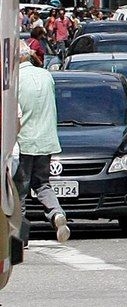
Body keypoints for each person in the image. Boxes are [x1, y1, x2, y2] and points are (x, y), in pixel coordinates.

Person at [14, 40, 70, 243]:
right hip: (46, 139)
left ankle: (20, 236)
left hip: (24, 141)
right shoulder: (46, 76)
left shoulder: (16, 79)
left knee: (19, 189)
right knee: (42, 184)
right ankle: (56, 214)